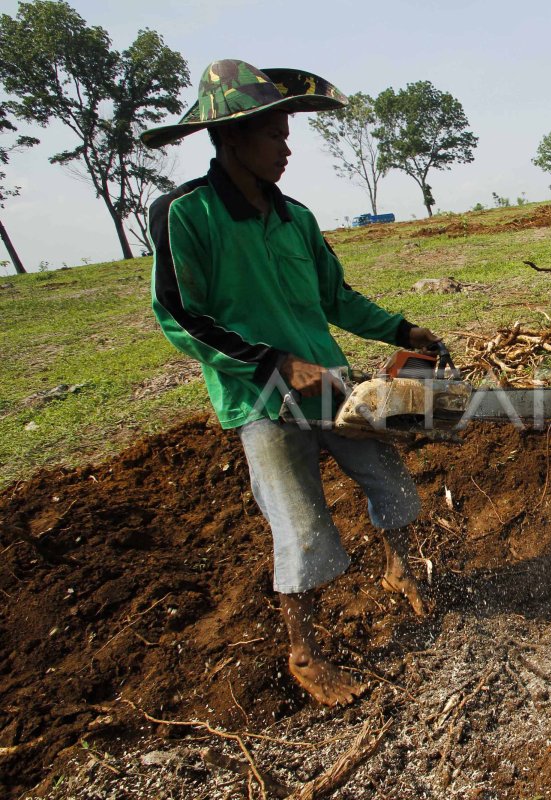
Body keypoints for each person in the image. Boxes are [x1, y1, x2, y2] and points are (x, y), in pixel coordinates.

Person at [143, 60, 434, 704]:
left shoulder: (294, 216)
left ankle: (399, 569)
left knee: (389, 477)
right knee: (299, 524)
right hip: (260, 398)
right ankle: (304, 651)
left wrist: (403, 331)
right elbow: (181, 316)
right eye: (275, 134)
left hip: (328, 383)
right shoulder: (185, 214)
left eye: (286, 131)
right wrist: (273, 362)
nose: (287, 145)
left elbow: (336, 297)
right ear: (233, 138)